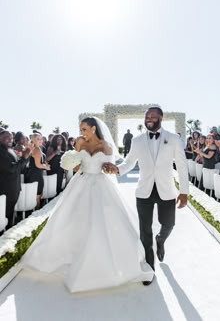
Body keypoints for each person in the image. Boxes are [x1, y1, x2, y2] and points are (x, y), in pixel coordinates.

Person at [22, 117, 154, 293]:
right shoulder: (79, 142)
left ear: (93, 128)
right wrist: (71, 164)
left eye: (84, 128)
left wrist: (108, 166)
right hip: (81, 183)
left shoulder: (107, 145)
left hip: (101, 185)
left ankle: (100, 264)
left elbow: (109, 167)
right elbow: (77, 168)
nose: (81, 132)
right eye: (80, 129)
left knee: (100, 222)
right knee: (75, 220)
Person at [103, 106, 189, 285]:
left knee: (169, 224)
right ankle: (149, 269)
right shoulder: (137, 140)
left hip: (166, 190)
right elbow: (129, 162)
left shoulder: (173, 139)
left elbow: (181, 165)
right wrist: (118, 169)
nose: (148, 118)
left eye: (152, 116)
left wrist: (184, 191)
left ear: (161, 117)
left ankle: (161, 239)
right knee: (145, 230)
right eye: (146, 116)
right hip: (144, 191)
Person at [0, 130, 31, 228]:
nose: (10, 139)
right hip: (5, 189)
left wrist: (24, 157)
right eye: (7, 137)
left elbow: (19, 168)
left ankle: (8, 233)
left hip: (14, 188)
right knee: (4, 215)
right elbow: (11, 168)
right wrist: (24, 157)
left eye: (11, 137)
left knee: (10, 214)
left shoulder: (11, 150)